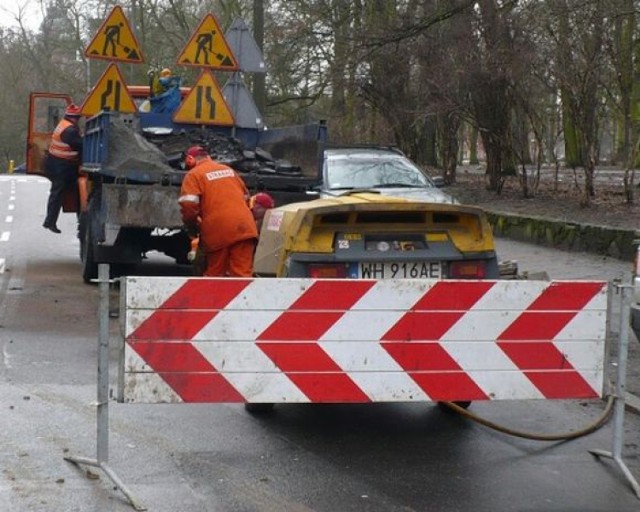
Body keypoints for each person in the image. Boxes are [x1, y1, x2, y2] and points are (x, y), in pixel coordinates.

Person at [179, 146, 258, 277]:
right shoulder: (229, 170)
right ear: (208, 157)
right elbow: (246, 199)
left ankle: (213, 298)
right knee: (242, 276)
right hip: (244, 228)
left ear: (190, 159)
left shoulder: (194, 175)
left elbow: (188, 206)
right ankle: (242, 297)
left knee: (215, 275)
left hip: (217, 231)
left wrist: (192, 228)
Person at [43, 104, 83, 234]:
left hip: (60, 164)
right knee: (59, 192)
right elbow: (79, 145)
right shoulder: (69, 130)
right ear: (74, 118)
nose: (78, 120)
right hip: (61, 165)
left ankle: (53, 221)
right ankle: (50, 222)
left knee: (70, 192)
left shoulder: (64, 124)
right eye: (78, 118)